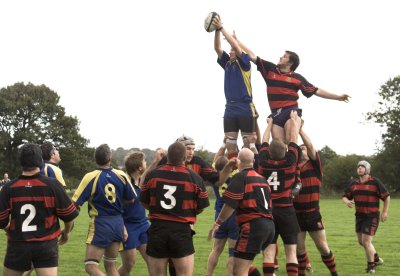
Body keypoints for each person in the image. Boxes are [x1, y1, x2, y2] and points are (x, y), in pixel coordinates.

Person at [236, 38, 350, 144]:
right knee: (278, 144)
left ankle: (295, 158)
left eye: (284, 56)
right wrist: (237, 41)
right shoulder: (270, 69)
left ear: (290, 63)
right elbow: (252, 56)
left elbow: (316, 91)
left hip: (291, 110)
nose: (280, 57)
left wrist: (338, 97)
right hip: (276, 114)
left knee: (291, 137)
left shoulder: (297, 78)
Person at [0, 143, 78, 276]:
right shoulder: (53, 185)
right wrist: (66, 232)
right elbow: (69, 216)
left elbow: (1, 221)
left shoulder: (8, 188)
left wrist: (12, 229)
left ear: (21, 161)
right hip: (46, 244)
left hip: (18, 245)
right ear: (41, 161)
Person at [140, 142, 210, 276]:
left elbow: (143, 202)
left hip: (157, 230)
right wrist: (186, 212)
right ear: (185, 158)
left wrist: (156, 210)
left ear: (167, 157)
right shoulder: (195, 178)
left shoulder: (153, 175)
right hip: (181, 231)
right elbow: (201, 207)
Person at [72, 144, 137, 276]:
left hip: (100, 223)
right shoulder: (121, 175)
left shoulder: (90, 176)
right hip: (118, 223)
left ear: (95, 158)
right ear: (110, 158)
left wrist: (69, 221)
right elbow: (131, 198)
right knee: (110, 265)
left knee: (90, 266)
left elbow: (75, 203)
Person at [208, 148, 275, 276]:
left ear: (238, 161)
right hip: (270, 226)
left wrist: (218, 223)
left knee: (239, 271)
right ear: (254, 161)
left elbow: (230, 205)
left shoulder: (240, 177)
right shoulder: (262, 179)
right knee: (245, 263)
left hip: (253, 226)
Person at [258, 111, 301, 276]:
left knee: (268, 252)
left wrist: (269, 124)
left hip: (268, 211)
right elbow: (293, 139)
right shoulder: (290, 162)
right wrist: (293, 121)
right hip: (287, 210)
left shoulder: (263, 162)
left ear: (269, 151)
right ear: (285, 151)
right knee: (291, 252)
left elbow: (263, 140)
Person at [293, 126, 338, 276]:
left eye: (304, 148)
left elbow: (311, 146)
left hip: (313, 214)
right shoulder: (293, 169)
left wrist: (298, 129)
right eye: (301, 149)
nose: (304, 150)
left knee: (323, 247)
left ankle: (334, 273)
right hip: (296, 214)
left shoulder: (315, 166)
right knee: (299, 249)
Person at [212, 15, 258, 159]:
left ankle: (254, 173)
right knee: (230, 144)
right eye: (230, 49)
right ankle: (234, 174)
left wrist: (221, 27)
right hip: (230, 108)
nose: (230, 51)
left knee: (248, 145)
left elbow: (237, 47)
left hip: (245, 107)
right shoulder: (227, 63)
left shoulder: (244, 63)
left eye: (232, 49)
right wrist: (216, 31)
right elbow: (217, 48)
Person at [342, 160, 390, 274]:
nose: (359, 169)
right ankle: (376, 259)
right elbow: (344, 196)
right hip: (359, 216)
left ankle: (371, 266)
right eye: (358, 167)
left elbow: (387, 197)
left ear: (367, 169)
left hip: (372, 216)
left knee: (366, 241)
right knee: (361, 241)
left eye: (362, 167)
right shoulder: (353, 183)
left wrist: (384, 212)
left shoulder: (375, 182)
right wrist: (347, 201)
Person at [118, 151, 150, 275]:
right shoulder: (124, 183)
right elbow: (117, 209)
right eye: (144, 162)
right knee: (129, 264)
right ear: (139, 167)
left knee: (152, 260)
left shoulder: (142, 182)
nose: (146, 164)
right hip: (128, 226)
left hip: (143, 225)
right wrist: (123, 228)